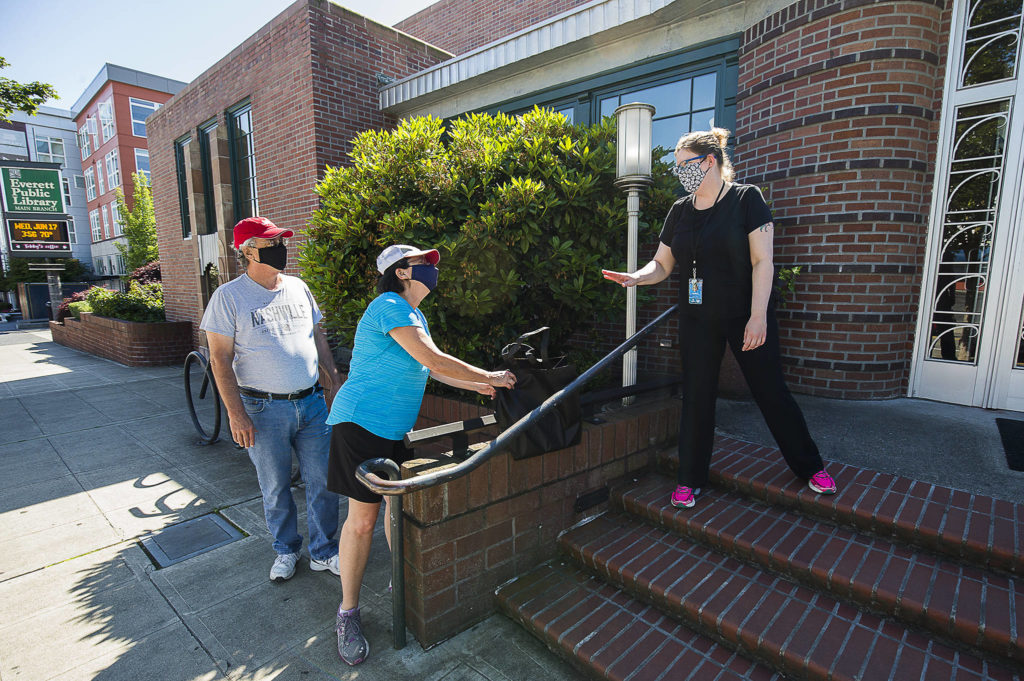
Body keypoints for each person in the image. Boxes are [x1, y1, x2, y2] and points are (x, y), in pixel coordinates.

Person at [602, 128, 837, 509]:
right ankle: (689, 479)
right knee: (696, 396)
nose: (680, 173)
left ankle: (809, 466)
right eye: (676, 166)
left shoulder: (747, 199)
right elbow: (662, 264)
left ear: (710, 161)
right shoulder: (680, 211)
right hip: (697, 318)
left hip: (746, 314)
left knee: (771, 392)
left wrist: (758, 316)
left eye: (685, 165)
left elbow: (763, 262)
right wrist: (637, 277)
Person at [326, 244, 516, 666]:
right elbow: (432, 357)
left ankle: (403, 586)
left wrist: (479, 388)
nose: (432, 270)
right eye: (423, 264)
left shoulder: (413, 315)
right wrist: (488, 374)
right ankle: (347, 614)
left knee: (395, 512)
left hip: (394, 430)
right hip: (360, 425)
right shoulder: (389, 305)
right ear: (399, 273)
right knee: (363, 522)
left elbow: (428, 367)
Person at [201, 216, 342, 581]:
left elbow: (317, 336)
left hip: (312, 403)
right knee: (275, 487)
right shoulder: (228, 297)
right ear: (247, 251)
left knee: (324, 482)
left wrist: (333, 379)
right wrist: (236, 415)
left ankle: (324, 552)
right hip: (262, 410)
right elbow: (219, 359)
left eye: (281, 240)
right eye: (271, 243)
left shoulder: (298, 287)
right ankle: (286, 550)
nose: (281, 248)